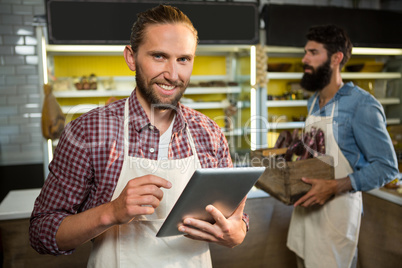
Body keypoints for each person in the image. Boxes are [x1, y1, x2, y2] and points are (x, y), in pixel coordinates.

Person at [30, 5, 248, 267]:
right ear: (131, 57)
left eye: (183, 59)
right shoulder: (88, 132)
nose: (173, 74)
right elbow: (41, 232)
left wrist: (237, 233)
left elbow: (236, 219)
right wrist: (111, 211)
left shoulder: (209, 133)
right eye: (159, 56)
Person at [287, 24, 399, 268]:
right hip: (305, 216)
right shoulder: (314, 101)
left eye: (313, 53)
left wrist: (334, 186)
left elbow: (387, 168)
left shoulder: (362, 105)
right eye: (305, 52)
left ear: (336, 58)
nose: (304, 59)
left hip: (334, 219)